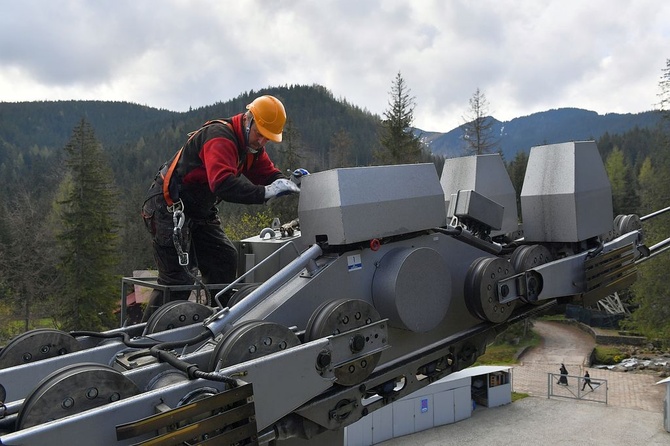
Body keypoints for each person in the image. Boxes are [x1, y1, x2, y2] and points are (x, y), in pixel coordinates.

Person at [140, 95, 300, 322]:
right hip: (168, 207)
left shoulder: (250, 147)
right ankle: (146, 339)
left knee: (223, 258)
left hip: (199, 210)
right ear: (248, 120)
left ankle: (220, 321)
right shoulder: (220, 137)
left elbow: (267, 174)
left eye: (268, 139)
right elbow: (222, 183)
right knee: (177, 281)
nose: (262, 142)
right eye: (260, 135)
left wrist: (288, 182)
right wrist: (264, 193)